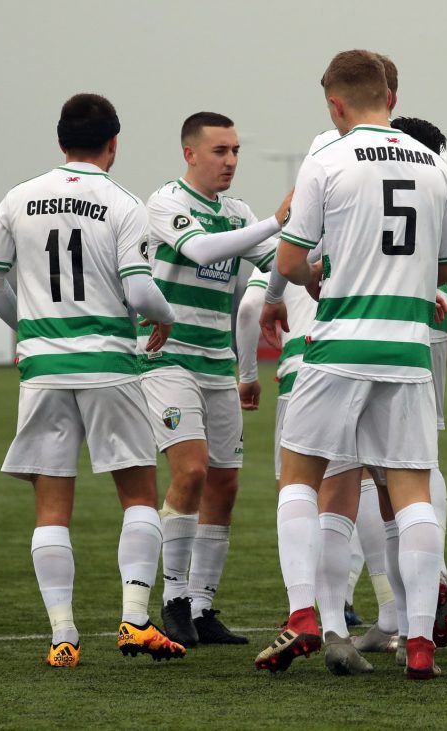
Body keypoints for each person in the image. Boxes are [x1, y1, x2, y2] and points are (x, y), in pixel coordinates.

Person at [254, 49, 447, 680]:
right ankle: (419, 639)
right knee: (411, 494)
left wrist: (319, 275)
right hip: (405, 350)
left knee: (300, 480)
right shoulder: (434, 165)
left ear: (337, 105)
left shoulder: (327, 158)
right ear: (389, 97)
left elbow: (288, 263)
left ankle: (303, 616)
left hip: (338, 344)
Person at [0, 93, 185, 666]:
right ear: (113, 143)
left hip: (43, 369)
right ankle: (136, 620)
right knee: (140, 496)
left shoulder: (18, 198)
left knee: (52, 508)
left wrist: (33, 331)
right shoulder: (123, 202)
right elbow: (141, 292)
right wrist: (164, 316)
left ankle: (63, 636)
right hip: (109, 365)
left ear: (60, 140)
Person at [141, 112, 288, 647]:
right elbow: (201, 250)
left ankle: (202, 607)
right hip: (168, 359)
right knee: (193, 470)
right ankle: (174, 600)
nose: (229, 161)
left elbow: (283, 265)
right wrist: (276, 221)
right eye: (220, 151)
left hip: (215, 362)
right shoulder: (167, 204)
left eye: (235, 151)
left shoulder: (238, 212)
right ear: (190, 154)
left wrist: (313, 257)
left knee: (225, 483)